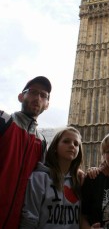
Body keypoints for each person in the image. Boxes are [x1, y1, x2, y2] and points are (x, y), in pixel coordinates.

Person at [0, 76, 51, 229]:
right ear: (21, 96)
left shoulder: (41, 143)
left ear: (47, 105)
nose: (38, 98)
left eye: (43, 95)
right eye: (33, 92)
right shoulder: (3, 121)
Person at [20, 126, 83, 228]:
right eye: (66, 141)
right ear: (54, 147)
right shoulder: (39, 178)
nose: (72, 145)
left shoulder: (79, 180)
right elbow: (29, 218)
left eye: (76, 144)